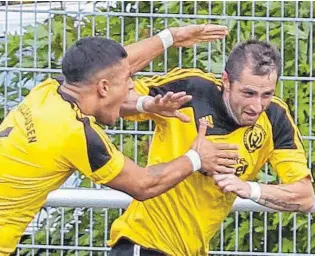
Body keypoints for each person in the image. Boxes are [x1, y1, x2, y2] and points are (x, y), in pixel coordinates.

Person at [0, 25, 236, 256]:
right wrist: (196, 157)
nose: (132, 87)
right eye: (128, 83)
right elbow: (144, 184)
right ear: (104, 88)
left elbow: (110, 68)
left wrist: (169, 38)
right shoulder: (74, 134)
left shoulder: (48, 92)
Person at [109, 38, 315, 255]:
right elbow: (110, 95)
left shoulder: (275, 119)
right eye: (248, 93)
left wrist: (250, 189)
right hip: (144, 242)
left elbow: (305, 196)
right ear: (226, 81)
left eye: (267, 95)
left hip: (192, 250)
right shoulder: (191, 90)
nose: (257, 106)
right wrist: (147, 103)